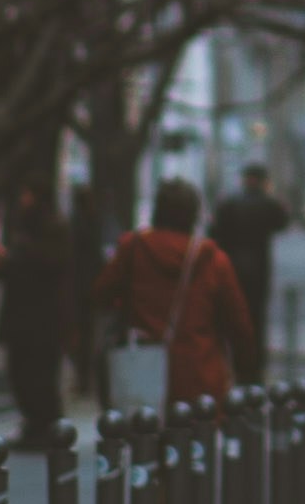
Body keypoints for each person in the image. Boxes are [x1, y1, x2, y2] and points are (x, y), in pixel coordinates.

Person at [97, 180, 255, 408]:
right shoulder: (212, 260)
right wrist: (245, 366)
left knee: (143, 437)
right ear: (193, 215)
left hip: (142, 372)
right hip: (199, 377)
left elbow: (101, 294)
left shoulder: (133, 249)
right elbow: (238, 323)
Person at [0, 180, 72, 451]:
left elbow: (47, 266)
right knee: (22, 373)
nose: (23, 199)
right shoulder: (25, 230)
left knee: (38, 375)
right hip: (25, 317)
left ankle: (45, 425)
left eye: (28, 193)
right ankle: (35, 424)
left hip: (41, 319)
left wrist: (12, 260)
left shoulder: (50, 230)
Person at [207, 173, 289, 383]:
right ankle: (253, 364)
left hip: (233, 267)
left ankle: (234, 360)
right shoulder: (266, 204)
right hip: (258, 268)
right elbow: (283, 221)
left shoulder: (230, 204)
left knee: (231, 315)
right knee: (256, 318)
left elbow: (214, 232)